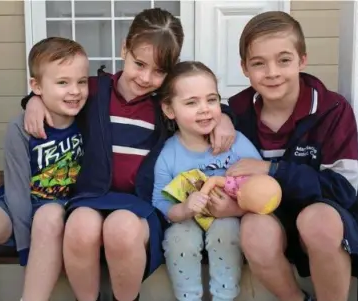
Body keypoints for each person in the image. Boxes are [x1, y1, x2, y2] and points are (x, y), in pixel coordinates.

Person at [20, 8, 237, 301]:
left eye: (159, 71)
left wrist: (223, 115)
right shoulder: (94, 91)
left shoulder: (165, 106)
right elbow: (58, 97)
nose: (146, 77)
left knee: (121, 229)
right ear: (124, 48)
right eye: (139, 63)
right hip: (91, 196)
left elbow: (200, 103)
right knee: (80, 226)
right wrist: (33, 101)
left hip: (140, 204)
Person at [227, 11, 358, 301]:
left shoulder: (332, 110)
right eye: (258, 63)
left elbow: (342, 188)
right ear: (244, 68)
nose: (272, 72)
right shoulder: (237, 112)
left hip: (322, 217)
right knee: (253, 229)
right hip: (267, 215)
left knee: (318, 221)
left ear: (302, 60)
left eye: (284, 60)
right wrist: (220, 121)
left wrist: (272, 169)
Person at [0, 37, 89, 301]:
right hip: (18, 207)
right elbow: (16, 191)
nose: (74, 91)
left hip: (61, 212)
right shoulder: (21, 127)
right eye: (63, 82)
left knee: (48, 216)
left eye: (81, 81)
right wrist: (26, 247)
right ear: (36, 86)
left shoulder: (89, 120)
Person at [152, 61, 262, 301]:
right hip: (187, 219)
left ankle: (224, 297)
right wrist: (183, 209)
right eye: (192, 102)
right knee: (179, 237)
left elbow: (261, 185)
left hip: (230, 216)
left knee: (227, 228)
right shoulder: (169, 153)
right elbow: (160, 201)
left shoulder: (236, 143)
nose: (204, 109)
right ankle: (188, 297)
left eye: (211, 100)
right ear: (170, 110)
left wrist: (235, 208)